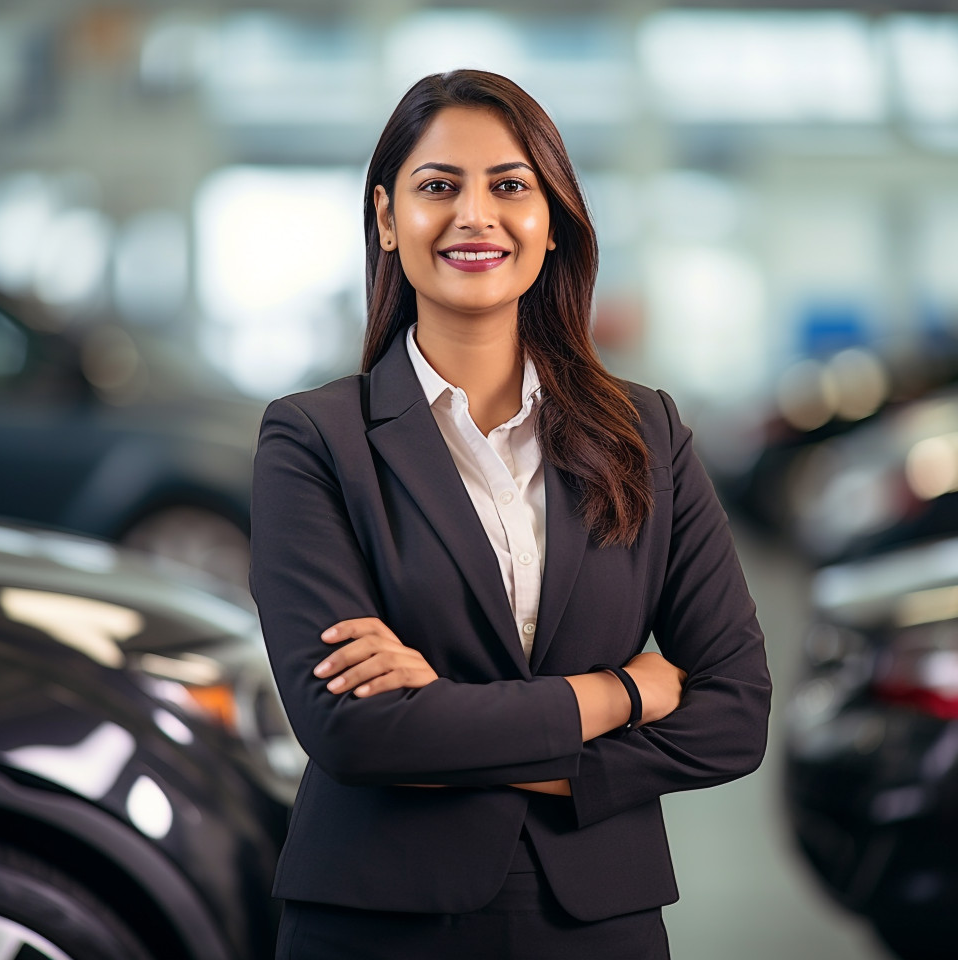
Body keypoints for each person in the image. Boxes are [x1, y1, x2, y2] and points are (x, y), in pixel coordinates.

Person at [250, 69, 772, 960]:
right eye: (438, 186)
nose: (475, 216)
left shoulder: (646, 432)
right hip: (376, 921)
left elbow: (734, 712)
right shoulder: (313, 439)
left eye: (510, 185)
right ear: (386, 218)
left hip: (599, 920)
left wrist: (449, 729)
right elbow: (352, 728)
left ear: (552, 219)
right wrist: (621, 692)